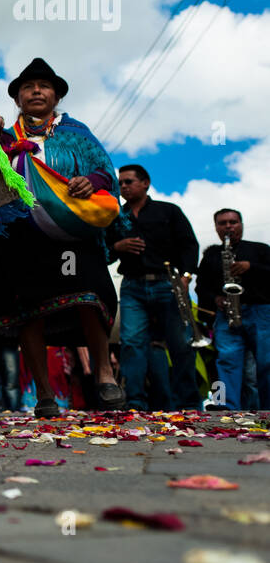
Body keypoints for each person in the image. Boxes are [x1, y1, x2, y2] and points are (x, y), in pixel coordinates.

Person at [0, 58, 125, 418]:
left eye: (44, 86)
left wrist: (91, 181)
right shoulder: (5, 137)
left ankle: (105, 377)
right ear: (17, 98)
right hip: (22, 235)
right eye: (28, 87)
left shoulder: (76, 132)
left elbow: (105, 170)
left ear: (56, 96)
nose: (36, 91)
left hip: (73, 230)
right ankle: (45, 395)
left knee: (89, 298)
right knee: (28, 310)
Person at [108, 164, 200, 410]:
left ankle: (188, 404)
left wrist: (186, 277)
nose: (124, 187)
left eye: (129, 182)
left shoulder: (168, 211)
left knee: (180, 344)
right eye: (121, 183)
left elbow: (189, 245)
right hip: (132, 287)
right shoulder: (115, 216)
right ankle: (136, 403)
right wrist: (118, 247)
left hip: (168, 284)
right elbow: (104, 252)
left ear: (145, 183)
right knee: (132, 343)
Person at [197, 209, 270, 411]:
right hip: (227, 314)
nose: (228, 226)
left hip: (261, 311)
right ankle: (227, 408)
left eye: (233, 222)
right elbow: (201, 287)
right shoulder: (211, 255)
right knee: (227, 361)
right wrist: (215, 298)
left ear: (241, 224)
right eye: (222, 223)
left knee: (267, 362)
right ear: (216, 228)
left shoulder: (261, 249)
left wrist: (251, 267)